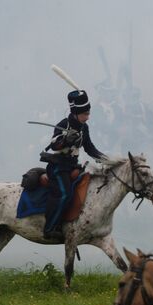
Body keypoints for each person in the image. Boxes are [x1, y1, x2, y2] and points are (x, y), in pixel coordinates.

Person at [40, 90, 107, 239]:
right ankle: (49, 228)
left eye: (88, 114)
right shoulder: (63, 125)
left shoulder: (85, 128)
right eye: (85, 114)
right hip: (58, 167)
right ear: (76, 112)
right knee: (65, 194)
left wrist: (106, 159)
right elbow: (54, 146)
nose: (87, 117)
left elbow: (89, 148)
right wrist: (66, 140)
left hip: (72, 166)